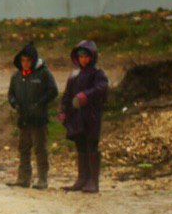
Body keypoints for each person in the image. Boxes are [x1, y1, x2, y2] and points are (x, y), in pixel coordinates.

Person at [6, 42, 59, 189]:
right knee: (23, 148)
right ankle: (23, 178)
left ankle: (42, 178)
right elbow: (11, 94)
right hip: (23, 118)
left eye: (28, 60)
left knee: (40, 148)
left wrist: (41, 103)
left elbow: (53, 91)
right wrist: (14, 103)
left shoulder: (44, 74)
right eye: (23, 60)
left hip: (38, 118)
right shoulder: (16, 77)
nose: (25, 63)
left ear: (34, 60)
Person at [59, 40, 109, 194]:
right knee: (80, 146)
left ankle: (93, 181)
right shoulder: (74, 74)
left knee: (91, 145)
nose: (83, 59)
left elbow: (102, 88)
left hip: (91, 116)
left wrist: (86, 95)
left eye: (86, 56)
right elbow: (67, 94)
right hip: (77, 116)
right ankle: (82, 179)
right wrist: (63, 110)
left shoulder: (97, 73)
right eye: (80, 56)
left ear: (92, 56)